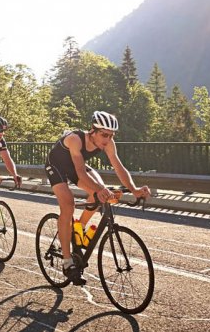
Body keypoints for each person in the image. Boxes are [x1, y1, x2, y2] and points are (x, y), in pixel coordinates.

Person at [45, 111, 151, 286]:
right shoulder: (75, 139)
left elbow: (118, 166)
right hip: (56, 166)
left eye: (111, 135)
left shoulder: (108, 143)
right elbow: (80, 171)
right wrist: (100, 189)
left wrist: (134, 189)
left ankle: (78, 229)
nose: (107, 140)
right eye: (104, 135)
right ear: (93, 130)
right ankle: (67, 261)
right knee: (68, 204)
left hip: (75, 166)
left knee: (100, 195)